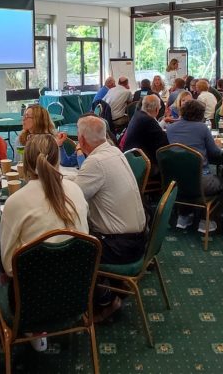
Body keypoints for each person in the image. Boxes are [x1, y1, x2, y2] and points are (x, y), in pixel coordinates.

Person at [72, 116, 147, 318]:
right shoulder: (113, 151)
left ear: (81, 139)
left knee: (71, 248)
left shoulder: (95, 162)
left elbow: (72, 199)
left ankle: (106, 301)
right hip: (138, 238)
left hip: (121, 246)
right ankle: (115, 283)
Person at [0, 133, 88, 277]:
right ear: (58, 160)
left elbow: (9, 267)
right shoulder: (76, 190)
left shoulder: (15, 202)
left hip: (33, 291)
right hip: (78, 283)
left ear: (26, 163)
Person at [166, 101, 223, 232]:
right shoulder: (202, 128)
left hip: (174, 182)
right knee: (221, 181)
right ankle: (205, 221)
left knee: (186, 172)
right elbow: (214, 152)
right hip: (200, 181)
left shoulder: (170, 128)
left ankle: (184, 216)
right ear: (201, 114)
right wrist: (219, 147)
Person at [123, 94, 169, 172]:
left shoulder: (138, 114)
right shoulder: (148, 120)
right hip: (142, 164)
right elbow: (165, 143)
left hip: (131, 158)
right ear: (157, 109)